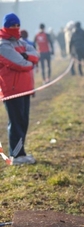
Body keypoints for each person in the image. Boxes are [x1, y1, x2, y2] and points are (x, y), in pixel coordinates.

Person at [0, 13, 39, 165]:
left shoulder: (19, 42)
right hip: (12, 90)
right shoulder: (3, 45)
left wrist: (25, 56)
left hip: (25, 89)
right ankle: (15, 156)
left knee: (23, 122)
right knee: (16, 122)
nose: (15, 28)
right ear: (5, 26)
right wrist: (29, 62)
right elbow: (20, 64)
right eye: (12, 25)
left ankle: (21, 153)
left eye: (17, 25)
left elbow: (35, 54)